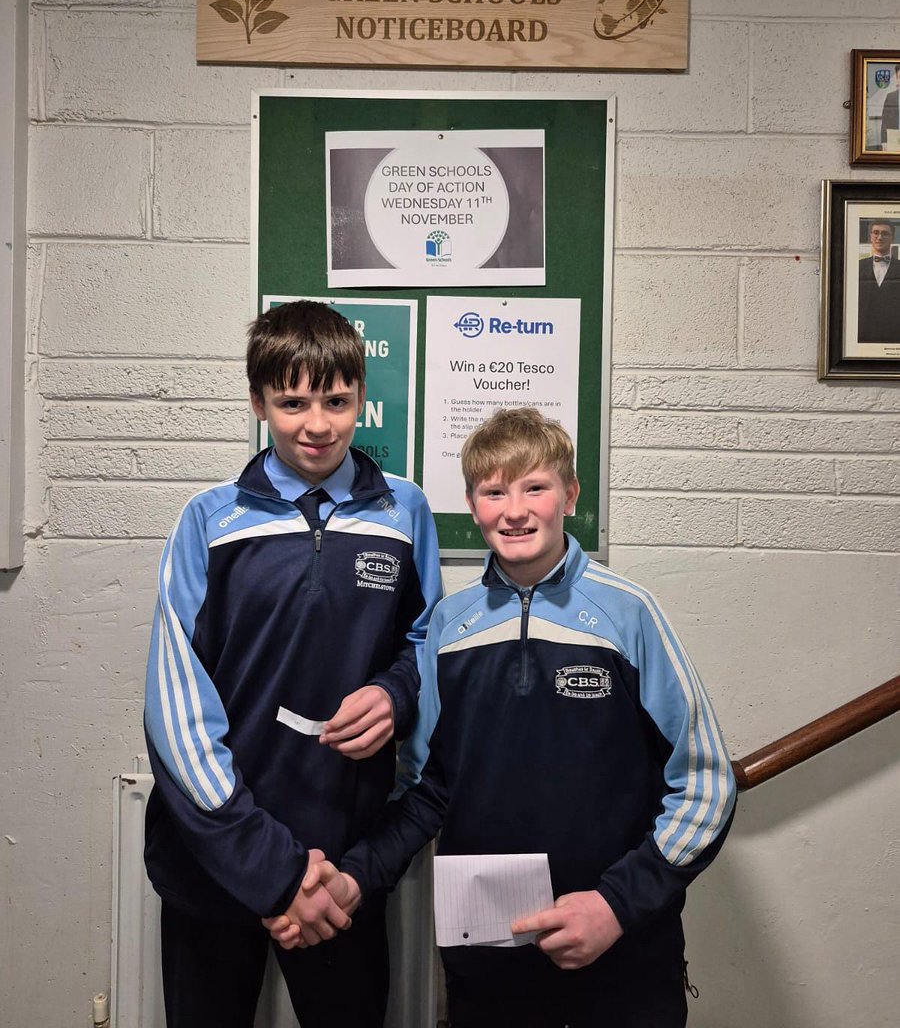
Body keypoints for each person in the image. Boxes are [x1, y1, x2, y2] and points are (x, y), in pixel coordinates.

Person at [272, 407, 737, 1027]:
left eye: (535, 487)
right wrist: (356, 877)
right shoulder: (449, 627)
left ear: (570, 495)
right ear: (472, 504)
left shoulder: (631, 615)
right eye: (494, 491)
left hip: (621, 953)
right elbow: (427, 791)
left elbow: (706, 782)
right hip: (488, 964)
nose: (515, 511)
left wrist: (616, 906)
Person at [142, 299, 442, 1028]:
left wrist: (396, 693)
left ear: (361, 399)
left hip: (341, 868)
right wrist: (276, 876)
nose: (317, 423)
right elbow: (174, 706)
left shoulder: (404, 512)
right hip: (217, 859)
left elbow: (429, 644)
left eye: (336, 401)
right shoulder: (208, 519)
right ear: (258, 402)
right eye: (293, 401)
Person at [858, 220, 900, 343]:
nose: (880, 237)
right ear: (870, 236)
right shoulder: (856, 266)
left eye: (885, 233)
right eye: (876, 233)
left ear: (892, 238)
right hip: (863, 336)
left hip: (895, 337)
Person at [879, 65, 900, 146]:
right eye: (899, 77)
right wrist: (884, 142)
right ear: (897, 80)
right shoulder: (890, 97)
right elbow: (884, 121)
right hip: (893, 138)